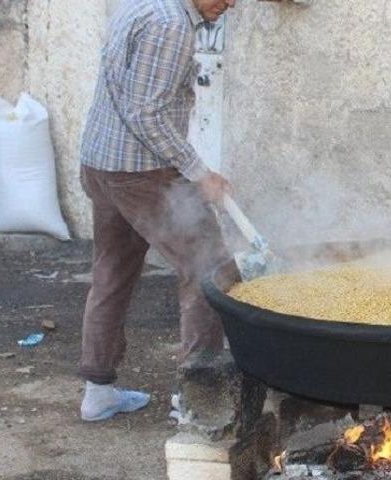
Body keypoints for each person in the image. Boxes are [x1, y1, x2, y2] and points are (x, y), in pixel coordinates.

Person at [76, 0, 238, 422]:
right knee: (212, 269)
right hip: (141, 174)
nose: (231, 3)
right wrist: (200, 173)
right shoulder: (170, 23)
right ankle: (198, 400)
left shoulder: (143, 6)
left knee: (111, 273)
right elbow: (145, 113)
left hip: (103, 164)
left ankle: (98, 392)